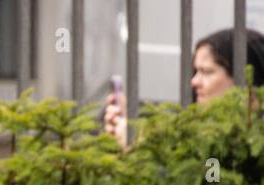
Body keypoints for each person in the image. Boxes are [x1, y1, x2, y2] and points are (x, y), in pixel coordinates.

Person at [104, 27, 264, 144]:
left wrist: (134, 147)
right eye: (195, 71)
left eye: (206, 72)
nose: (194, 81)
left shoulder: (245, 141)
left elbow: (212, 180)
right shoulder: (208, 130)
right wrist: (133, 121)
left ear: (245, 79)